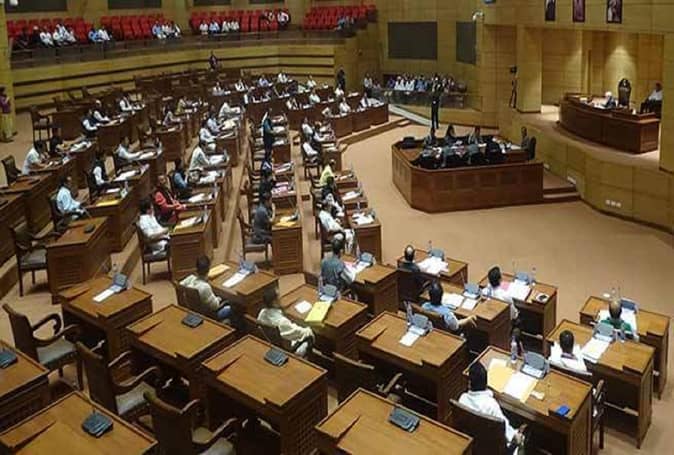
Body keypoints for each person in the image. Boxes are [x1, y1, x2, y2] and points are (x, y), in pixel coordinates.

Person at [459, 362, 526, 454]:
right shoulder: (491, 405)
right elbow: (509, 435)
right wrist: (518, 435)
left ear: (469, 383)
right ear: (486, 383)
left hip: (474, 445)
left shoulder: (462, 399)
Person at [258, 288, 314, 357]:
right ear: (274, 303)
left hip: (273, 342)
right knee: (310, 334)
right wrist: (310, 329)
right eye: (279, 297)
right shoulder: (282, 322)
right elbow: (301, 333)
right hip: (288, 347)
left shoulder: (261, 313)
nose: (282, 298)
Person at [180, 256, 232, 322]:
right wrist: (219, 298)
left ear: (196, 268)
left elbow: (180, 285)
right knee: (233, 307)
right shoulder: (205, 287)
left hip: (193, 309)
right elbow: (215, 306)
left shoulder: (190, 278)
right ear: (208, 270)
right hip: (210, 314)